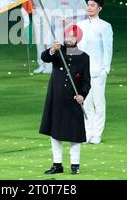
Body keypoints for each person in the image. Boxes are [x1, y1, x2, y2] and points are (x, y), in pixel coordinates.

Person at [39, 25, 91, 175]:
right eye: (67, 35)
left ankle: (75, 164)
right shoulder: (58, 51)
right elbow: (45, 57)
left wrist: (82, 95)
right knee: (55, 133)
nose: (69, 39)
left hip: (73, 101)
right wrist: (53, 49)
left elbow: (86, 81)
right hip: (56, 99)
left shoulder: (84, 57)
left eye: (72, 36)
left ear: (78, 38)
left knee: (73, 133)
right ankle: (57, 164)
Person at [77, 0, 113, 144]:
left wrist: (105, 68)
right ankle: (87, 131)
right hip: (82, 71)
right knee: (85, 103)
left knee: (98, 102)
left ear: (99, 9)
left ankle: (97, 133)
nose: (90, 7)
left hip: (98, 70)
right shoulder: (81, 25)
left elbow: (107, 49)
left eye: (93, 5)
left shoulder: (104, 26)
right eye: (88, 5)